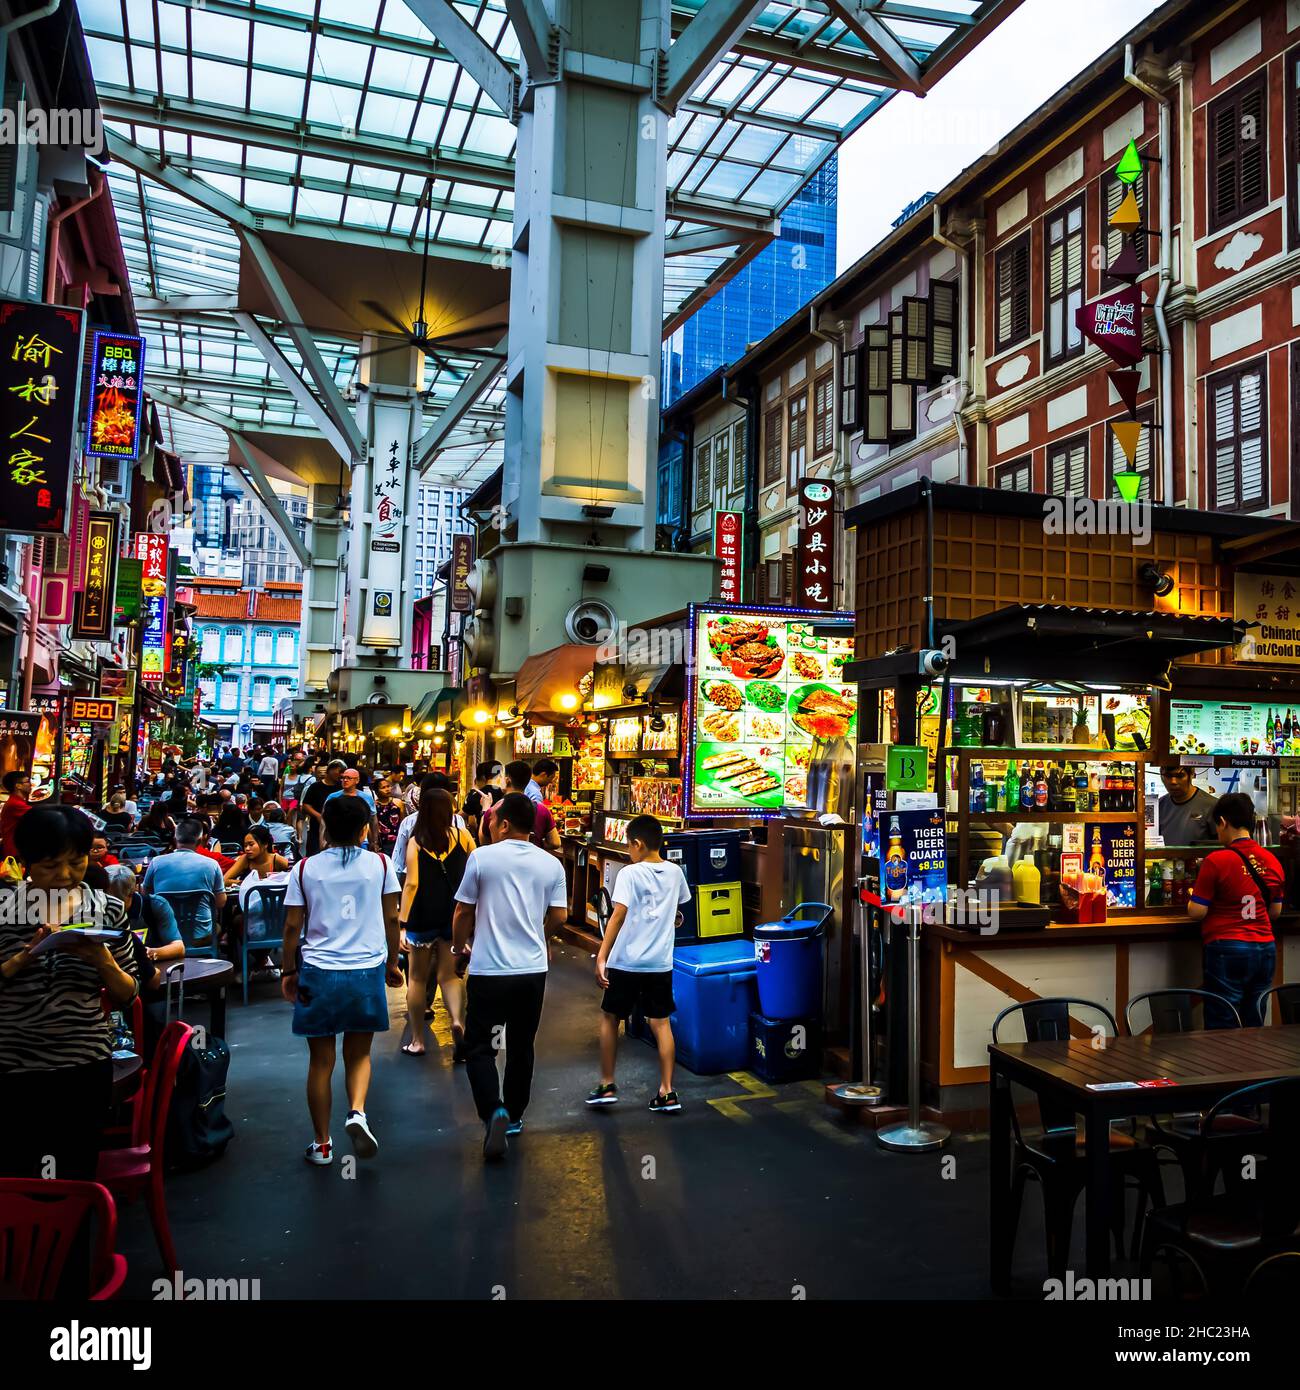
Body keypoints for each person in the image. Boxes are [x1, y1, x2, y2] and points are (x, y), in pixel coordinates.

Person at [0, 806, 140, 1179]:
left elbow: (128, 994)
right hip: (12, 1062)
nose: (64, 876)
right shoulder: (4, 908)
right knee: (15, 1174)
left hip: (82, 1063)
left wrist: (102, 961)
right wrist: (26, 956)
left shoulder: (107, 908)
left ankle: (70, 1239)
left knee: (73, 1174)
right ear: (25, 861)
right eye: (49, 865)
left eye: (75, 863)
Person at [282, 795, 403, 1165]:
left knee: (320, 1062)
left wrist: (288, 970)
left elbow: (291, 926)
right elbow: (392, 919)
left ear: (325, 828)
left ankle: (321, 1144)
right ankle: (357, 1112)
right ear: (365, 829)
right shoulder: (381, 865)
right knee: (360, 1053)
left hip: (319, 970)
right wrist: (393, 964)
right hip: (365, 969)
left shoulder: (304, 869)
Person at [452, 792, 568, 1160]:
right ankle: (514, 1115)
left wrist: (459, 949)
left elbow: (462, 912)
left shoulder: (482, 858)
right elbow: (561, 917)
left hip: (490, 969)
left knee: (481, 1046)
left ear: (503, 823)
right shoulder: (551, 864)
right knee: (521, 1045)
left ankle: (493, 1110)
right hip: (532, 970)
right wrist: (541, 935)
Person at [589, 814, 689, 1111]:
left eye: (629, 845)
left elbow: (617, 915)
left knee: (610, 1017)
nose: (629, 851)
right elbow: (677, 912)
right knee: (661, 1023)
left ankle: (607, 1084)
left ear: (638, 843)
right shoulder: (675, 873)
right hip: (660, 963)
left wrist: (602, 955)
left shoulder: (630, 874)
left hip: (627, 961)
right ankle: (667, 1091)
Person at [1187, 792, 1282, 1029]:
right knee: (1254, 1019)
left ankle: (1223, 1066)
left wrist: (1192, 897)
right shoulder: (1272, 860)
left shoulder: (1216, 860)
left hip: (1227, 948)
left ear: (1223, 822)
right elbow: (1274, 912)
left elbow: (1196, 912)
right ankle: (1255, 1066)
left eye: (1217, 826)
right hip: (1264, 948)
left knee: (1223, 1020)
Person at [399, 788, 474, 1057]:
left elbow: (412, 884)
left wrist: (402, 923)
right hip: (453, 914)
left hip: (422, 916)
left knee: (418, 979)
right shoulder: (462, 836)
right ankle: (457, 1022)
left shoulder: (416, 841)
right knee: (449, 975)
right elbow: (475, 869)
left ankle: (418, 1041)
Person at [142, 818, 228, 945]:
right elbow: (221, 902)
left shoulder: (156, 863)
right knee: (219, 927)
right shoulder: (212, 865)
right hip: (201, 935)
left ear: (175, 839)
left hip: (165, 936)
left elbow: (146, 896)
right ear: (200, 841)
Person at [481, 761, 561, 851]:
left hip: (503, 861)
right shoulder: (542, 810)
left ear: (507, 781)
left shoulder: (495, 810)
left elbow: (483, 841)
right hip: (532, 860)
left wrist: (485, 809)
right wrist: (538, 846)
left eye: (501, 777)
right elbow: (555, 842)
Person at [1157, 764, 1218, 844]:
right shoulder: (1159, 806)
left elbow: (1221, 846)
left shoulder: (1212, 805)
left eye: (1180, 776)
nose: (1173, 781)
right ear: (1161, 777)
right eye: (1168, 776)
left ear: (1192, 774)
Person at [300, 759, 343, 856]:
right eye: (339, 772)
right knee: (314, 854)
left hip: (337, 828)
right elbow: (306, 806)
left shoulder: (341, 787)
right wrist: (318, 816)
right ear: (331, 770)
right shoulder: (315, 787)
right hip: (316, 828)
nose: (341, 775)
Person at [224, 825, 290, 887]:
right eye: (245, 846)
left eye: (251, 844)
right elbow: (225, 880)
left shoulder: (277, 859)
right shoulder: (245, 859)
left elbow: (293, 878)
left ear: (265, 844)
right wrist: (246, 883)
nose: (247, 849)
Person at [463, 762, 503, 841]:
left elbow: (468, 819)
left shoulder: (475, 795)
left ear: (484, 776)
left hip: (481, 838)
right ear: (500, 774)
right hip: (501, 840)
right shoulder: (505, 795)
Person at [0, 769, 33, 859]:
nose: (31, 784)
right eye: (27, 781)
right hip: (15, 851)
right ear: (18, 786)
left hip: (16, 849)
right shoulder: (15, 804)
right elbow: (37, 815)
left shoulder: (16, 801)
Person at [373, 776, 405, 857]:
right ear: (376, 791)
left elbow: (402, 822)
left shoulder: (398, 803)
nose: (387, 789)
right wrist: (374, 842)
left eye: (388, 786)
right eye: (383, 787)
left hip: (397, 840)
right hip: (381, 841)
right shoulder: (374, 805)